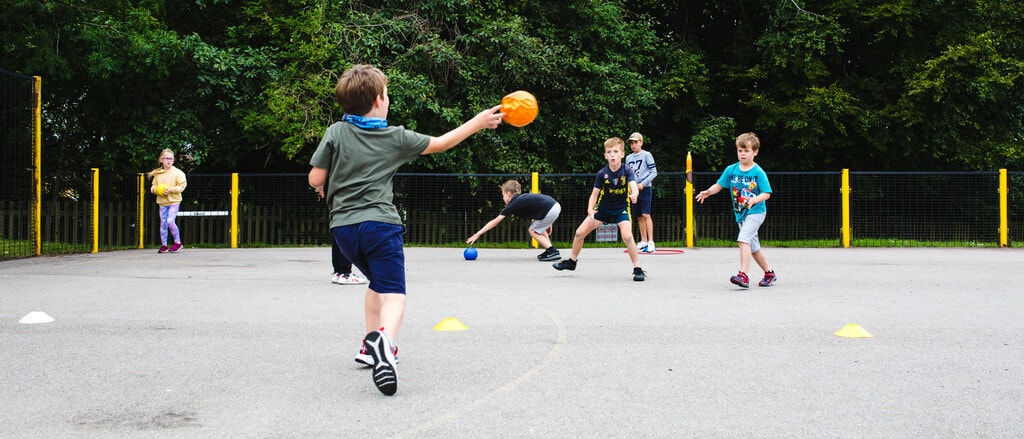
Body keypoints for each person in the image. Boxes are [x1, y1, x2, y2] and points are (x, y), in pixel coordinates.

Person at [308, 64, 504, 396]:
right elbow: (441, 143)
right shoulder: (394, 137)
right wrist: (478, 122)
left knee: (377, 284)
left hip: (343, 230)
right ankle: (386, 342)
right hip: (380, 226)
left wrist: (324, 187)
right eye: (386, 95)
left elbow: (315, 178)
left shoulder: (336, 132)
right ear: (377, 101)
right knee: (395, 293)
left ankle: (369, 347)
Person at [552, 137, 646, 281]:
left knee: (627, 236)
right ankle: (571, 262)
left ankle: (637, 268)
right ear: (605, 156)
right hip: (602, 209)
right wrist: (590, 210)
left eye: (616, 151)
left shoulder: (627, 171)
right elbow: (594, 194)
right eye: (609, 152)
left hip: (621, 209)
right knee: (579, 233)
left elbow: (634, 186)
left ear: (622, 154)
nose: (612, 154)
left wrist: (634, 194)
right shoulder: (602, 173)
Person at [695, 132, 777, 288]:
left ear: (755, 152)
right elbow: (719, 185)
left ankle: (743, 276)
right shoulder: (731, 169)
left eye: (746, 151)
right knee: (753, 248)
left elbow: (767, 193)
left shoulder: (758, 172)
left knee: (743, 240)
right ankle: (769, 273)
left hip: (756, 211)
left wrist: (754, 199)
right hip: (741, 213)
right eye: (740, 150)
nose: (743, 154)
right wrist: (708, 192)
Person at [466, 180, 562, 261]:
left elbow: (495, 221)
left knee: (532, 230)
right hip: (554, 206)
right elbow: (539, 206)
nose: (503, 198)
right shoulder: (521, 200)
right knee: (537, 227)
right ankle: (550, 250)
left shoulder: (514, 203)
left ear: (508, 194)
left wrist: (477, 234)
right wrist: (549, 223)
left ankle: (552, 251)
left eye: (503, 195)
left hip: (549, 209)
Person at [314, 186, 366, 285]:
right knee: (347, 228)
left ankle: (338, 272)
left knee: (339, 228)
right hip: (349, 194)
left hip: (337, 195)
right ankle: (346, 274)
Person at [148, 148, 187, 253]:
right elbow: (153, 187)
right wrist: (157, 191)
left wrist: (170, 190)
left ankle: (178, 243)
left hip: (174, 201)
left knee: (170, 221)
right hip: (162, 202)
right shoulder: (158, 173)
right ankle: (164, 245)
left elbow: (182, 186)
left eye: (171, 158)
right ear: (161, 160)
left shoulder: (178, 173)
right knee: (163, 224)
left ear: (173, 160)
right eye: (166, 158)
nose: (168, 160)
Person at [626, 132, 658, 253]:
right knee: (638, 216)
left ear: (641, 142)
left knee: (646, 214)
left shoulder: (646, 155)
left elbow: (654, 172)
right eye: (631, 143)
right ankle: (643, 241)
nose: (633, 145)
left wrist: (643, 184)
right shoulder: (628, 158)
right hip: (634, 189)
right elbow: (628, 174)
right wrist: (629, 186)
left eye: (636, 142)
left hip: (645, 188)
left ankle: (651, 242)